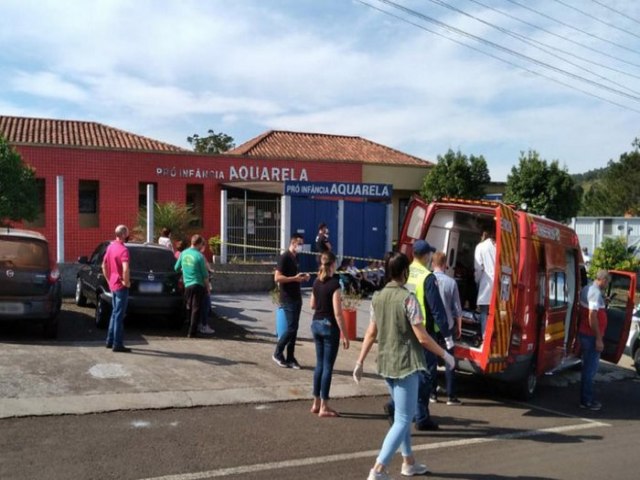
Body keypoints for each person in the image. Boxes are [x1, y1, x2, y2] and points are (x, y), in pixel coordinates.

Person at [353, 252, 455, 480]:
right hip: (406, 365)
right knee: (403, 420)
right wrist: (445, 355)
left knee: (402, 415)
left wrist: (359, 362)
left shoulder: (377, 297)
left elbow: (371, 332)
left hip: (386, 364)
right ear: (404, 272)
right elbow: (423, 338)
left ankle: (408, 462)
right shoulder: (408, 299)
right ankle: (378, 469)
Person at [405, 239, 452, 427]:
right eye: (429, 254)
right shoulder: (427, 277)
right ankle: (421, 417)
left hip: (406, 330)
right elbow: (437, 310)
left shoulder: (406, 271)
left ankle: (402, 408)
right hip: (424, 332)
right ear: (425, 256)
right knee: (426, 375)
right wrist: (447, 335)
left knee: (409, 373)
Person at [309, 250, 349, 417]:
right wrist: (345, 335)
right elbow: (338, 313)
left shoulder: (317, 282)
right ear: (333, 264)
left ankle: (316, 402)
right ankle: (324, 405)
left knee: (319, 365)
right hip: (328, 326)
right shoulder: (335, 284)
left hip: (316, 323)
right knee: (327, 367)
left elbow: (312, 304)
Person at [273, 234, 310, 369]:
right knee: (291, 328)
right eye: (299, 244)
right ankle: (278, 352)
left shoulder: (296, 258)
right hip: (287, 298)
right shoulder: (285, 257)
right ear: (293, 243)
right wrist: (294, 279)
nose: (301, 247)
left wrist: (302, 277)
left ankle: (290, 357)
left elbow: (295, 276)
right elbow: (277, 278)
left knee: (294, 328)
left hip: (296, 296)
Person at [432, 251, 463, 406]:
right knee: (449, 360)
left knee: (431, 360)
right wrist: (459, 327)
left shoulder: (428, 280)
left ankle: (432, 394)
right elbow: (457, 309)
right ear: (445, 264)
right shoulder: (452, 283)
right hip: (447, 327)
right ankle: (451, 396)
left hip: (432, 327)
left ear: (433, 263)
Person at [578, 269, 609, 411]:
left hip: (585, 334)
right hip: (591, 336)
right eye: (607, 281)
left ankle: (585, 398)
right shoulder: (595, 293)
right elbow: (592, 315)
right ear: (602, 280)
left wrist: (604, 301)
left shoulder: (587, 288)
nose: (607, 284)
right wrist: (598, 338)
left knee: (587, 368)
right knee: (590, 370)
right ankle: (587, 401)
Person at [101, 224, 131, 353]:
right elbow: (125, 268)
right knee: (119, 314)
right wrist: (126, 282)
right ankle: (117, 344)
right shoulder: (123, 250)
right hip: (120, 286)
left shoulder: (110, 247)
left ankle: (109, 340)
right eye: (127, 233)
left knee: (114, 313)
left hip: (113, 284)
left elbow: (104, 265)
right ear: (123, 234)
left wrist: (108, 280)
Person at [175, 234, 211, 338]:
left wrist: (184, 270)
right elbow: (205, 275)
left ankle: (185, 327)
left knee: (188, 307)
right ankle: (192, 332)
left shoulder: (183, 253)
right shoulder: (199, 256)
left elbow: (176, 268)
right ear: (199, 244)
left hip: (187, 284)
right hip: (198, 284)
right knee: (196, 308)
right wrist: (208, 288)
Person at [474, 225, 496, 336]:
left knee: (484, 312)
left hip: (486, 283)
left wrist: (477, 281)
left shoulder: (481, 247)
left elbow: (478, 268)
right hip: (498, 285)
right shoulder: (499, 247)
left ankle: (484, 335)